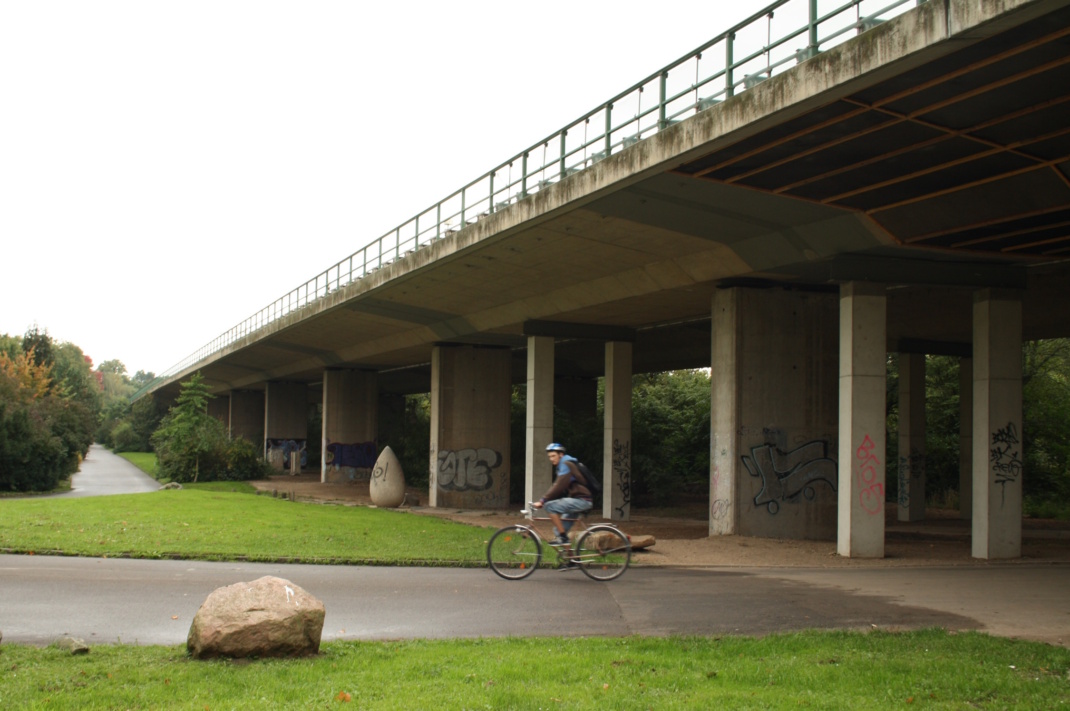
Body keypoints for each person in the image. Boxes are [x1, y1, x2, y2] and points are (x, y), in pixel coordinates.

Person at [532, 442, 592, 547]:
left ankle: (564, 538)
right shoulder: (564, 464)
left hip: (582, 500)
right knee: (559, 530)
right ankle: (571, 560)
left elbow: (559, 486)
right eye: (549, 456)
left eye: (553, 456)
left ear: (561, 454)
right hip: (577, 499)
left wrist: (542, 501)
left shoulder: (566, 464)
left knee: (549, 506)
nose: (551, 459)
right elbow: (557, 485)